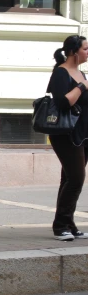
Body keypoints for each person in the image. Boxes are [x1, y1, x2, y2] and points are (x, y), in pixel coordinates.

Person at [46, 35, 88, 241]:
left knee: (69, 178)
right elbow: (63, 103)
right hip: (66, 134)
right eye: (86, 49)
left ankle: (69, 224)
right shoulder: (61, 73)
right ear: (73, 51)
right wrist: (81, 87)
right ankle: (60, 225)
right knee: (77, 178)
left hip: (82, 134)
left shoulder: (80, 72)